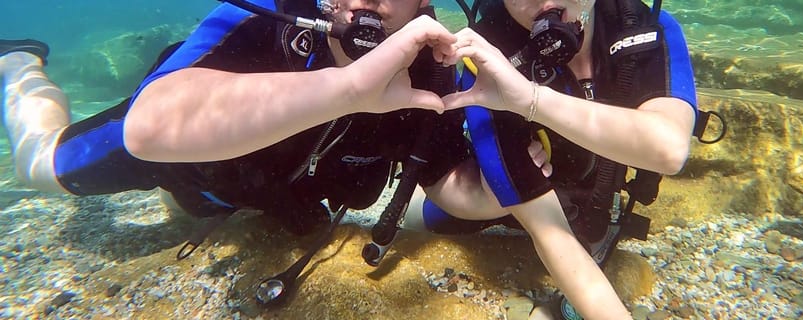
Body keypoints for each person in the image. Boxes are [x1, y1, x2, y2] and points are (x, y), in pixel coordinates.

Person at [0, 0, 467, 247]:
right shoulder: (271, 12)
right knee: (38, 163)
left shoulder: (434, 66)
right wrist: (347, 89)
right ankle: (19, 63)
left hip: (271, 194)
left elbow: (444, 178)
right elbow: (146, 127)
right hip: (182, 161)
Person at [405, 0, 699, 318]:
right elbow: (545, 227)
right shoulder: (489, 51)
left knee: (591, 232)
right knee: (428, 222)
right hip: (510, 193)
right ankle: (424, 200)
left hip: (586, 192)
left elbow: (669, 149)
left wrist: (531, 100)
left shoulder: (645, 26)